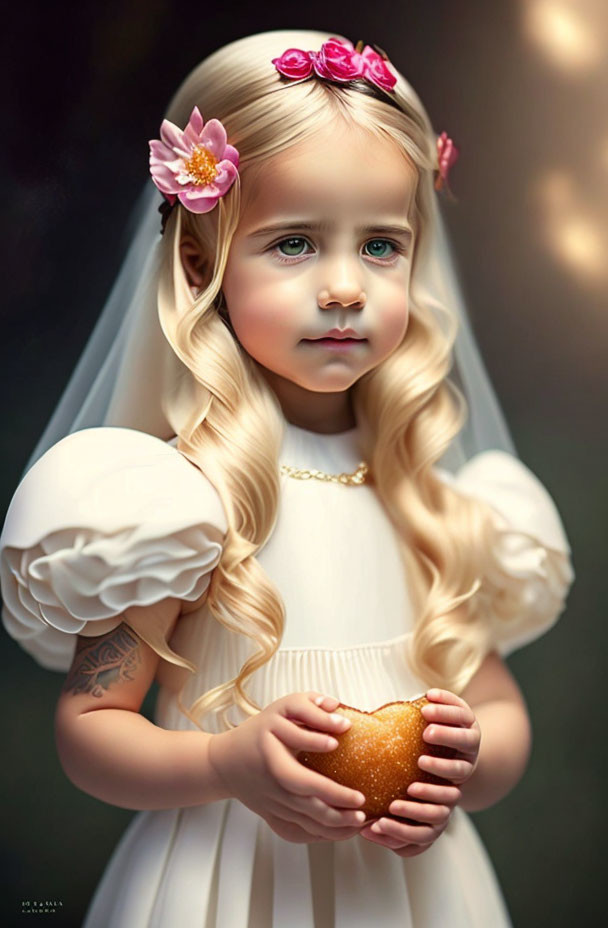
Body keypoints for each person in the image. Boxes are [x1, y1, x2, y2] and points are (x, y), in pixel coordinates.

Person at [0, 29, 574, 927]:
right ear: (203, 261)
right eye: (296, 242)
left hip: (412, 891)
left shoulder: (430, 498)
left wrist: (470, 763)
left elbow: (500, 709)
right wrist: (229, 765)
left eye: (381, 246)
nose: (345, 286)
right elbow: (90, 734)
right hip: (222, 878)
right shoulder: (173, 501)